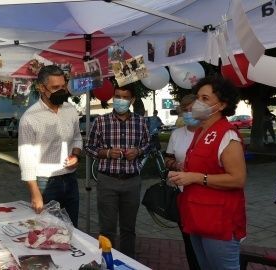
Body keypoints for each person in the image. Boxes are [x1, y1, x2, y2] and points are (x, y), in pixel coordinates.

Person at [168, 76, 246, 270]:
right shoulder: (200, 132)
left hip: (218, 221)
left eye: (205, 99)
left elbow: (238, 179)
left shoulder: (227, 134)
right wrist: (182, 175)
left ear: (221, 105)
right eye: (198, 97)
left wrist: (195, 177)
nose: (198, 103)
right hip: (197, 215)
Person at [85, 84, 150, 257]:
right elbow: (89, 148)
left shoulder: (141, 121)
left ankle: (128, 261)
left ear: (132, 100)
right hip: (108, 180)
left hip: (132, 181)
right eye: (117, 97)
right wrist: (106, 153)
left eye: (125, 97)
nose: (120, 101)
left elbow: (147, 145)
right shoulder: (100, 121)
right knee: (107, 228)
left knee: (129, 228)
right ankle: (107, 262)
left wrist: (138, 152)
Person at [18, 65, 82, 227]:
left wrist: (75, 154)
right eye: (55, 87)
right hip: (45, 183)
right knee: (47, 232)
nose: (61, 91)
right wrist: (35, 193)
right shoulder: (29, 118)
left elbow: (77, 138)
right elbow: (26, 159)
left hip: (70, 180)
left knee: (72, 229)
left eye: (63, 86)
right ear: (41, 88)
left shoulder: (70, 110)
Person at [164, 94, 200, 270]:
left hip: (204, 195)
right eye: (185, 110)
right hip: (182, 194)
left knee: (205, 241)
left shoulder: (208, 132)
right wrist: (174, 164)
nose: (188, 113)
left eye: (192, 109)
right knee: (189, 240)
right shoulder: (177, 134)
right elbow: (167, 159)